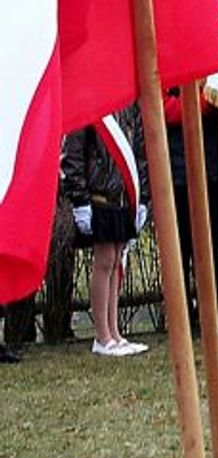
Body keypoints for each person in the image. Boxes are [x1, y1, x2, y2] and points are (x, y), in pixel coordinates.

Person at [61, 109, 150, 357]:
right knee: (105, 260)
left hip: (122, 194)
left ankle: (114, 332)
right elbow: (73, 155)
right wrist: (79, 199)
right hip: (98, 195)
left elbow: (139, 151)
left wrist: (143, 196)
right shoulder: (89, 106)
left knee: (117, 259)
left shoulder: (129, 106)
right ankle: (102, 335)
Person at [164, 88, 218, 331]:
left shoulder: (213, 80)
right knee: (179, 249)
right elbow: (166, 110)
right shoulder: (164, 70)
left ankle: (211, 309)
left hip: (211, 171)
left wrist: (217, 99)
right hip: (177, 175)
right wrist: (206, 101)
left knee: (211, 247)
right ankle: (180, 314)